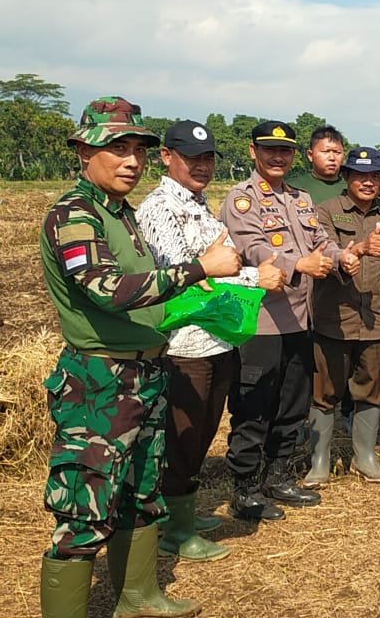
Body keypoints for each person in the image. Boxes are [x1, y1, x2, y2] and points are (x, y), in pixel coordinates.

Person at [38, 97, 242, 618]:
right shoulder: (74, 215)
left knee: (140, 488)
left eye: (137, 150)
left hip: (146, 370)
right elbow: (106, 288)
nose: (131, 160)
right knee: (85, 506)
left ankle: (140, 597)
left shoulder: (121, 214)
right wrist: (200, 269)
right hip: (100, 380)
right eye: (116, 148)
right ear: (84, 151)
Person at [135, 120, 285, 562]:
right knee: (182, 435)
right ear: (166, 157)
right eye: (190, 157)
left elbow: (219, 262)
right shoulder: (160, 208)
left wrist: (230, 267)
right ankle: (175, 531)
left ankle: (181, 512)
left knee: (202, 433)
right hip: (184, 346)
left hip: (215, 340)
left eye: (207, 158)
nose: (201, 166)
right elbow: (183, 271)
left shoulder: (200, 206)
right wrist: (256, 276)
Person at [220, 120, 358, 521]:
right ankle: (245, 489)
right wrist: (301, 263)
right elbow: (253, 248)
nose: (278, 157)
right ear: (253, 152)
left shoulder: (299, 199)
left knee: (292, 404)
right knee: (253, 405)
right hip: (262, 321)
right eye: (269, 150)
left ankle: (278, 476)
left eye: (284, 152)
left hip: (300, 318)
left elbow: (320, 242)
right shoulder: (241, 200)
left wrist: (339, 257)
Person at [307, 147, 380, 485]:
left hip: (375, 320)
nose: (368, 182)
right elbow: (322, 254)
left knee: (370, 391)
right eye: (360, 175)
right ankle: (319, 462)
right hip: (334, 318)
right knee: (324, 392)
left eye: (375, 176)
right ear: (346, 177)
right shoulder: (325, 212)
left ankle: (365, 458)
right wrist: (356, 249)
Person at [286, 125, 347, 205]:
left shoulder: (351, 188)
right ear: (310, 155)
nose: (332, 158)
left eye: (337, 152)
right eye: (325, 151)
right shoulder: (293, 186)